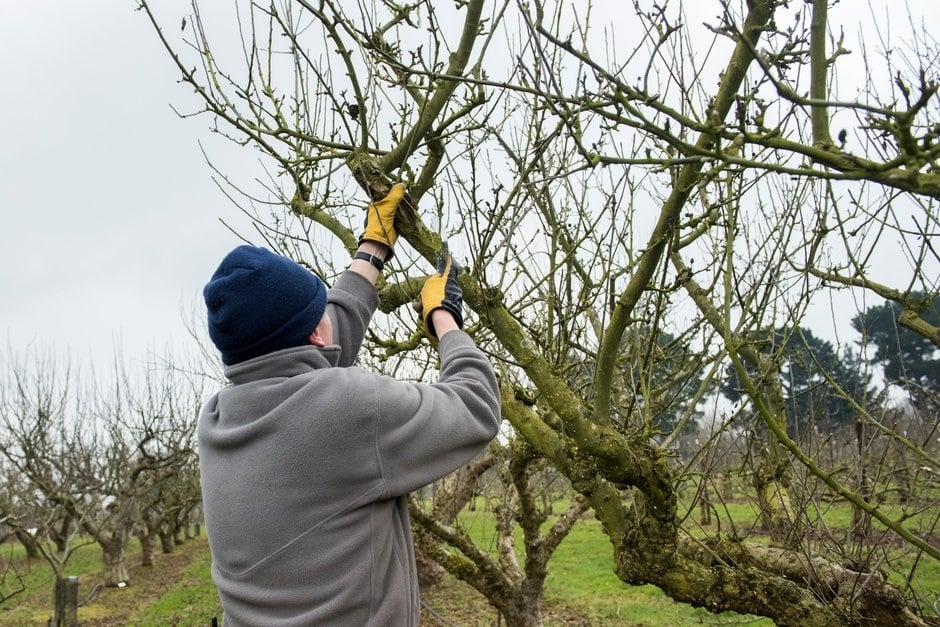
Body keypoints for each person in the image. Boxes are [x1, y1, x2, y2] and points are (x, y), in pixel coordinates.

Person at [197, 183, 501, 626]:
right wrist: (445, 320)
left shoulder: (218, 419)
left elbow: (315, 342)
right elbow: (476, 406)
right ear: (315, 336)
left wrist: (373, 247)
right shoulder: (349, 409)